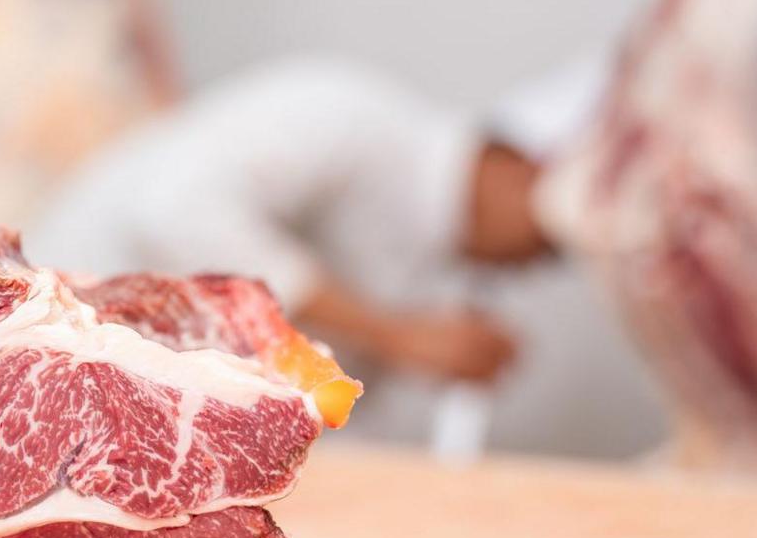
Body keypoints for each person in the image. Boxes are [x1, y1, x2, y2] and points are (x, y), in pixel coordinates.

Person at [30, 56, 595, 387]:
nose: (534, 264)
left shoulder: (435, 269)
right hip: (52, 341)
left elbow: (310, 378)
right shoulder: (349, 116)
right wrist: (396, 336)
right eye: (546, 244)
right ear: (524, 163)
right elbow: (175, 208)